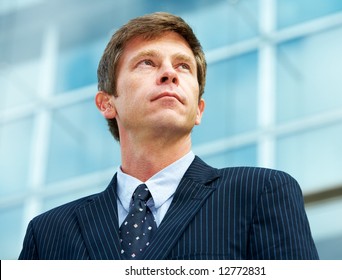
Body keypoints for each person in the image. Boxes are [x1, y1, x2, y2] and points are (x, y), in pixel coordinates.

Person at [19, 12, 319, 260]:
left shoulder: (260, 194)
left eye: (183, 66)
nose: (169, 73)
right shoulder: (47, 235)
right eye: (147, 62)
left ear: (198, 110)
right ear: (107, 102)